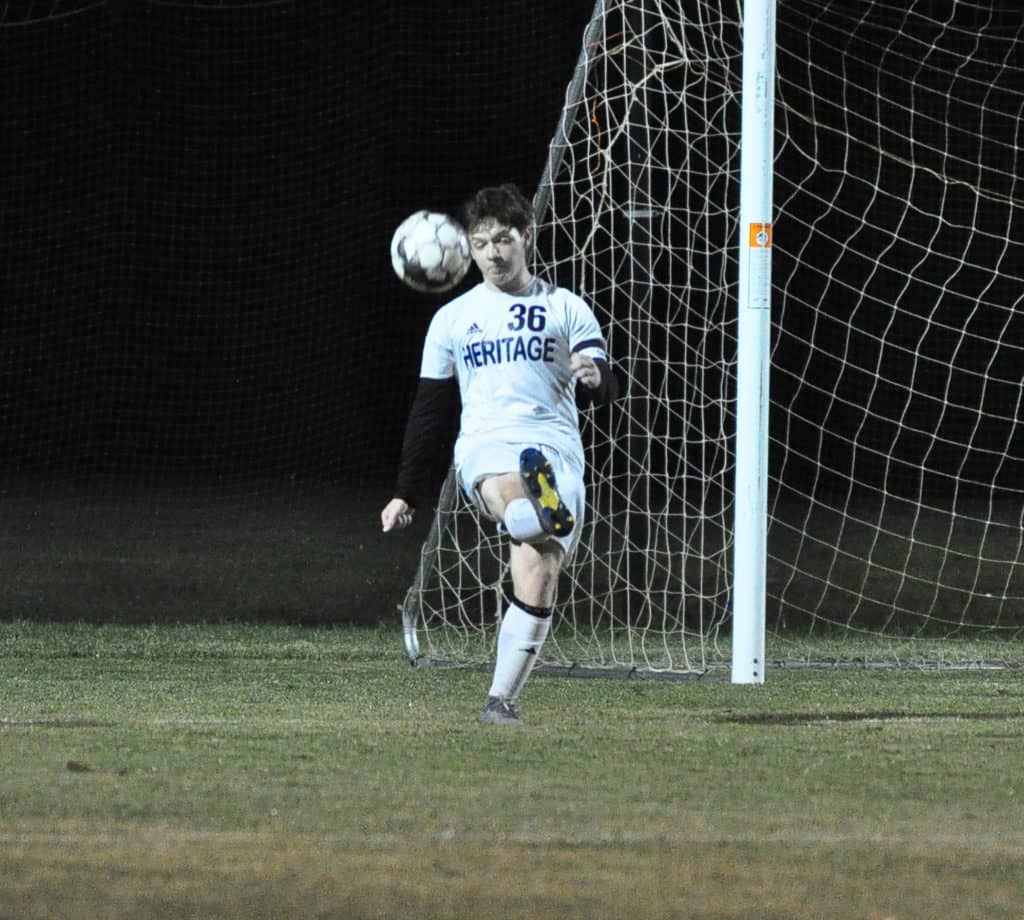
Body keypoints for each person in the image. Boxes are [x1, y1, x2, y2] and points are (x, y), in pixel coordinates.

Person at [381, 183, 618, 726]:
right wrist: (406, 491)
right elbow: (429, 410)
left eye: (503, 240)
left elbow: (607, 385)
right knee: (510, 488)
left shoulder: (565, 307)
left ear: (526, 238)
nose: (493, 253)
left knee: (540, 570)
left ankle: (500, 700)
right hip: (486, 444)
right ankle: (533, 505)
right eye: (481, 243)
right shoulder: (453, 318)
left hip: (555, 446)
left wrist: (594, 375)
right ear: (468, 248)